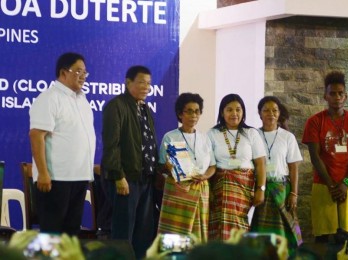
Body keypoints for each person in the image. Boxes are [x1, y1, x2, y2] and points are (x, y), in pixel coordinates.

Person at [29, 52, 96, 236]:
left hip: (79, 177)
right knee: (52, 234)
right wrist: (43, 173)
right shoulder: (49, 98)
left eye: (85, 72)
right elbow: (36, 136)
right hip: (55, 179)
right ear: (63, 72)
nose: (83, 76)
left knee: (71, 234)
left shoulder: (82, 100)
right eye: (78, 71)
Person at [302, 71, 348, 242]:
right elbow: (315, 157)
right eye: (332, 93)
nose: (336, 97)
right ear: (325, 96)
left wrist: (345, 183)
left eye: (340, 93)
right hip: (324, 184)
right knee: (323, 236)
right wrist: (332, 185)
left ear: (346, 96)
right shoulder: (315, 121)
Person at [101, 65, 158, 259]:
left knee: (143, 233)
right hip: (125, 179)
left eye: (149, 83)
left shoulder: (144, 108)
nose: (146, 87)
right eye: (141, 82)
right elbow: (111, 144)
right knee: (123, 233)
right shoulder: (116, 105)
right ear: (128, 82)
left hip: (145, 179)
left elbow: (149, 142)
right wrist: (119, 176)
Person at [157, 93, 216, 243]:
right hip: (177, 190)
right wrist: (169, 168)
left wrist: (205, 176)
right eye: (188, 111)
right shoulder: (170, 137)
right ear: (180, 113)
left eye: (197, 111)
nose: (193, 115)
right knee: (175, 233)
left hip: (200, 189)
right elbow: (161, 165)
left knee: (197, 235)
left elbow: (212, 166)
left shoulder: (205, 138)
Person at [207, 93, 266, 241]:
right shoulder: (212, 133)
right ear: (222, 112)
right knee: (219, 224)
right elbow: (207, 164)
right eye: (229, 110)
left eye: (238, 109)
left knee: (240, 223)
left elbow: (260, 164)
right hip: (219, 186)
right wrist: (208, 190)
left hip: (244, 188)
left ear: (243, 112)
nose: (234, 113)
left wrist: (261, 189)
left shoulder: (251, 133)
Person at [251, 96, 303, 255]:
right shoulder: (253, 135)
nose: (270, 114)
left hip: (282, 190)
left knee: (285, 231)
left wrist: (294, 193)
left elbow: (293, 167)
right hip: (261, 190)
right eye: (266, 110)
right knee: (262, 234)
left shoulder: (287, 137)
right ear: (259, 114)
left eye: (274, 110)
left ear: (279, 113)